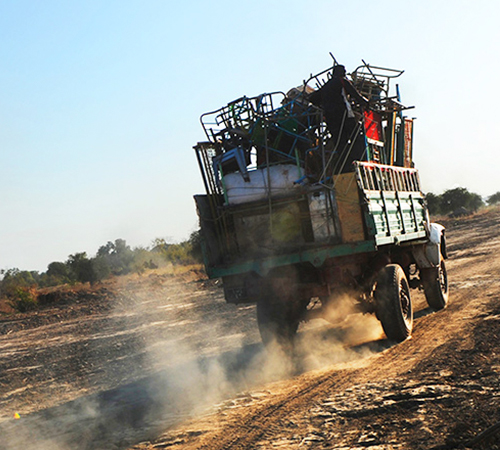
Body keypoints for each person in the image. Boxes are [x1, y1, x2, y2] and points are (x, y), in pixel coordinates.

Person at [308, 65, 370, 171]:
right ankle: (358, 161)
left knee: (340, 142)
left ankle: (344, 166)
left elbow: (313, 98)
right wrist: (366, 103)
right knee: (355, 136)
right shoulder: (342, 81)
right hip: (344, 114)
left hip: (330, 118)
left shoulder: (326, 86)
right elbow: (356, 95)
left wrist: (323, 104)